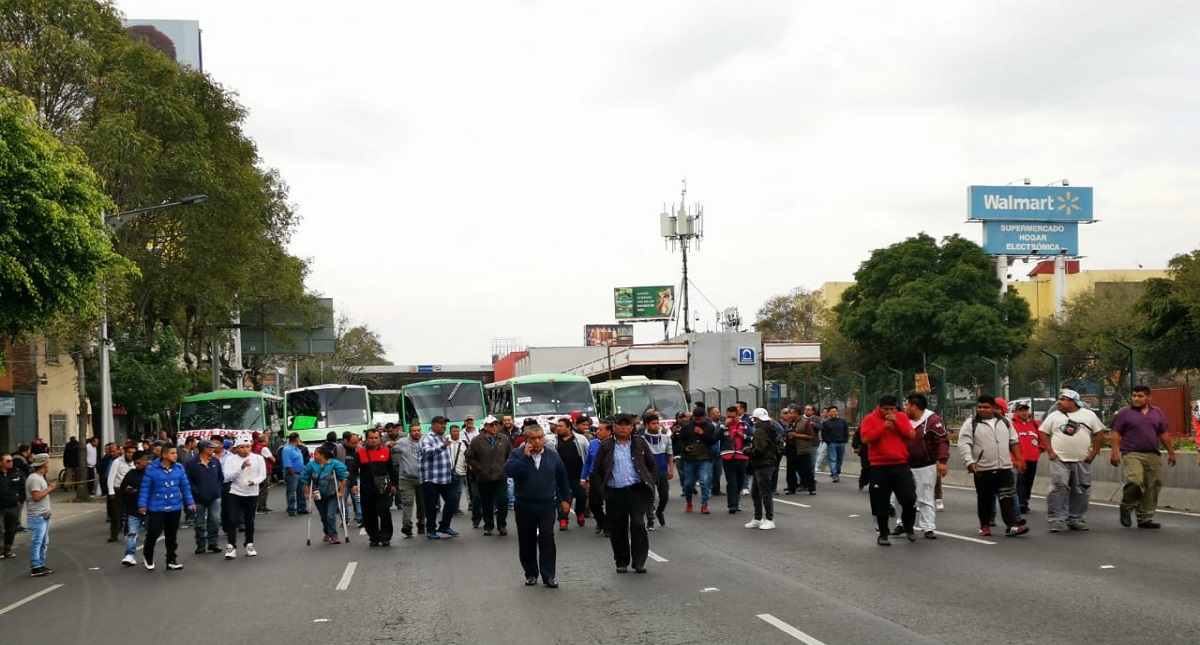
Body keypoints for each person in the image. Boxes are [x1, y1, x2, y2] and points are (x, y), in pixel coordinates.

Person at [506, 425, 571, 588]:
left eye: (540, 437)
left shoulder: (552, 456)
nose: (537, 441)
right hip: (524, 504)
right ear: (527, 439)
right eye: (533, 438)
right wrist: (525, 458)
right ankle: (530, 573)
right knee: (527, 539)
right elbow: (509, 471)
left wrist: (565, 500)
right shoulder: (517, 454)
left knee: (547, 537)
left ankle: (548, 576)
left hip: (547, 504)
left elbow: (562, 479)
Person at [592, 414, 658, 574]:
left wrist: (650, 482)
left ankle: (639, 561)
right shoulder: (606, 445)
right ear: (614, 427)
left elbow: (651, 465)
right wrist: (602, 489)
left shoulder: (640, 443)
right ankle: (621, 561)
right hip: (615, 492)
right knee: (618, 527)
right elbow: (598, 469)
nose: (623, 427)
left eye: (626, 425)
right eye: (619, 425)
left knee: (638, 523)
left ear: (631, 427)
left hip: (636, 490)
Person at [958, 395, 1029, 538]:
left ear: (993, 408)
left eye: (986, 407)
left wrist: (1019, 460)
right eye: (980, 407)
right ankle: (984, 526)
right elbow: (964, 444)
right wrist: (969, 462)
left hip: (1005, 467)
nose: (982, 410)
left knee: (1007, 496)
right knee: (984, 498)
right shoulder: (971, 423)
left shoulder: (1005, 421)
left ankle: (1012, 526)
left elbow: (1013, 441)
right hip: (983, 469)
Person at [1039, 389, 1106, 532]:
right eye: (1060, 398)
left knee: (1081, 489)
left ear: (1073, 402)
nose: (1059, 402)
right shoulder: (1054, 416)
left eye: (1063, 399)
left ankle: (1075, 519)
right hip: (1059, 460)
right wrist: (1050, 451)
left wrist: (1092, 454)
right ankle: (1056, 520)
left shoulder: (1089, 415)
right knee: (1059, 486)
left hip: (1082, 460)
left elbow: (1099, 434)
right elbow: (1043, 432)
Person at [1110, 385, 1176, 529]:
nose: (1136, 398)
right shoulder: (1124, 413)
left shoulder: (1157, 412)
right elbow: (1116, 434)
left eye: (1140, 396)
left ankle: (1145, 517)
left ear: (1148, 397)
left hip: (1152, 453)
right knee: (1135, 480)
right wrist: (1114, 453)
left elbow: (1163, 434)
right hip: (1132, 453)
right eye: (1134, 396)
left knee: (1154, 484)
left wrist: (1171, 453)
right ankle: (1127, 506)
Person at [860, 395, 918, 546]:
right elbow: (865, 439)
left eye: (891, 409)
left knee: (909, 498)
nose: (888, 412)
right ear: (879, 407)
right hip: (879, 466)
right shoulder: (870, 419)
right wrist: (883, 427)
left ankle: (909, 526)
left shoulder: (902, 417)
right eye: (885, 409)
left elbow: (912, 435)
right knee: (880, 502)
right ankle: (883, 534)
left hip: (901, 465)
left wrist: (897, 423)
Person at [137, 444, 196, 570]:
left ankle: (171, 559)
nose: (175, 455)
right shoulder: (151, 469)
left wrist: (190, 503)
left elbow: (185, 488)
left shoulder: (179, 468)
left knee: (171, 535)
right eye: (172, 453)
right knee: (154, 532)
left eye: (176, 453)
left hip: (174, 506)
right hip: (156, 507)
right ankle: (148, 555)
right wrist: (142, 505)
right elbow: (145, 488)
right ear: (164, 455)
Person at [902, 394, 949, 539]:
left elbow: (942, 441)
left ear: (914, 407)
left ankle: (928, 527)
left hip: (925, 465)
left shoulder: (932, 420)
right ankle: (900, 524)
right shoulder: (903, 420)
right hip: (904, 465)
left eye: (906, 405)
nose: (905, 408)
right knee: (899, 497)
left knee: (926, 496)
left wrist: (942, 461)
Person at [465, 415, 513, 537]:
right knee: (486, 503)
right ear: (485, 426)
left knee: (502, 500)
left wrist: (505, 466)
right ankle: (488, 526)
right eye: (492, 425)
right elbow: (469, 457)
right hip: (484, 477)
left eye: (496, 424)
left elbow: (510, 455)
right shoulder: (477, 441)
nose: (495, 427)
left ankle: (502, 525)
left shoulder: (504, 439)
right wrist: (479, 468)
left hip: (500, 476)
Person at [222, 437, 267, 559]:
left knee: (249, 520)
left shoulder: (258, 458)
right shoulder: (231, 459)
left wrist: (255, 481)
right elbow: (228, 476)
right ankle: (231, 546)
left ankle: (249, 544)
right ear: (237, 448)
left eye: (247, 447)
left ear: (251, 447)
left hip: (251, 493)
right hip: (235, 492)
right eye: (241, 447)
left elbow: (262, 475)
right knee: (232, 519)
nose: (245, 450)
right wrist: (240, 467)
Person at [546, 417, 590, 530]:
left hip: (578, 475)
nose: (558, 428)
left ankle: (580, 513)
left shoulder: (581, 439)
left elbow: (588, 456)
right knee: (561, 498)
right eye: (557, 426)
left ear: (569, 427)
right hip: (560, 476)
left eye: (561, 426)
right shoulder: (553, 442)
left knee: (581, 496)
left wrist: (587, 476)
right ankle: (563, 519)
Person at [419, 416, 459, 539]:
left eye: (445, 424)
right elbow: (427, 452)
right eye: (441, 424)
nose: (444, 426)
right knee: (431, 505)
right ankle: (431, 530)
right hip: (431, 478)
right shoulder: (427, 438)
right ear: (433, 425)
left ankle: (444, 526)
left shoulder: (444, 438)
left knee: (453, 500)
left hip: (445, 477)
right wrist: (442, 446)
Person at [358, 428, 398, 546]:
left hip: (383, 487)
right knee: (369, 513)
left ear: (380, 439)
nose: (374, 440)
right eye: (371, 438)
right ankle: (374, 537)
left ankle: (386, 536)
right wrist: (353, 484)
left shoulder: (386, 451)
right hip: (367, 488)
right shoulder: (360, 453)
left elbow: (392, 469)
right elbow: (354, 469)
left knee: (384, 510)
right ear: (366, 439)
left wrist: (394, 485)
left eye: (376, 438)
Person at [302, 445, 349, 544]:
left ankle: (334, 536)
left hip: (332, 494)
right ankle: (327, 532)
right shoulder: (311, 465)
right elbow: (305, 480)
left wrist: (341, 491)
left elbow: (343, 478)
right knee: (324, 516)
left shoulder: (334, 464)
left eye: (315, 454)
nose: (313, 456)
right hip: (317, 494)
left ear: (322, 455)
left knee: (330, 515)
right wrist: (307, 493)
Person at [184, 440, 223, 555]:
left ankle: (213, 543)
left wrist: (217, 487)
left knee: (215, 520)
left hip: (214, 496)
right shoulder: (191, 464)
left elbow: (220, 476)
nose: (213, 449)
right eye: (211, 447)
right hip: (198, 498)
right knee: (199, 523)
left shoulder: (215, 461)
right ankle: (200, 544)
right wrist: (195, 490)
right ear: (205, 448)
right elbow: (188, 481)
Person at [744, 408, 780, 530]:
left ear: (757, 419)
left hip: (763, 463)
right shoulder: (771, 427)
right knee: (756, 492)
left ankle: (769, 519)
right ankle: (758, 518)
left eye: (754, 419)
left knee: (764, 492)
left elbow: (760, 449)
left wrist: (748, 451)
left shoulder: (760, 431)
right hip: (767, 462)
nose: (754, 421)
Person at [675, 407, 716, 514]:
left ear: (704, 417)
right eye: (696, 419)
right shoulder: (686, 427)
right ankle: (689, 502)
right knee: (688, 483)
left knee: (704, 481)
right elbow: (680, 441)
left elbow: (712, 441)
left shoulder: (710, 427)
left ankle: (704, 504)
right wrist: (684, 448)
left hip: (705, 458)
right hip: (689, 459)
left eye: (700, 419)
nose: (697, 421)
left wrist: (702, 433)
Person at [392, 423, 425, 537]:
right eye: (414, 431)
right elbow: (391, 448)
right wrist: (389, 444)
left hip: (422, 478)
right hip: (406, 478)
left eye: (418, 430)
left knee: (422, 503)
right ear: (410, 432)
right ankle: (407, 525)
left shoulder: (425, 441)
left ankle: (421, 522)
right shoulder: (403, 442)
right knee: (408, 502)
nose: (417, 432)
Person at [118, 452, 150, 566]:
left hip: (149, 510)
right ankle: (130, 555)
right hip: (133, 510)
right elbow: (121, 491)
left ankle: (148, 555)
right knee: (132, 533)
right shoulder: (131, 474)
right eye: (135, 463)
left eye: (139, 463)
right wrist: (128, 491)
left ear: (145, 461)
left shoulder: (152, 474)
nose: (136, 465)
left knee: (149, 534)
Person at [25, 453, 55, 576]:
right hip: (37, 516)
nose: (49, 465)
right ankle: (36, 566)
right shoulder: (34, 479)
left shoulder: (39, 477)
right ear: (44, 464)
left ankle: (40, 564)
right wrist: (49, 488)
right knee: (37, 541)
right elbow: (36, 496)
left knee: (44, 542)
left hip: (44, 515)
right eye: (48, 462)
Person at [642, 413, 674, 527]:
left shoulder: (665, 438)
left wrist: (671, 469)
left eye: (657, 423)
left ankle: (660, 511)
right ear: (646, 425)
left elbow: (670, 454)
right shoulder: (641, 440)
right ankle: (650, 519)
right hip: (648, 472)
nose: (656, 426)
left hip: (662, 471)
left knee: (664, 495)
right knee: (649, 496)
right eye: (653, 423)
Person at [581, 419, 612, 536]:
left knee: (610, 503)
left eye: (601, 429)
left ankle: (608, 526)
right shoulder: (593, 444)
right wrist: (583, 478)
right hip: (595, 476)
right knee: (593, 503)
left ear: (609, 432)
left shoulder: (614, 444)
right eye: (597, 429)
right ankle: (601, 521)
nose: (597, 431)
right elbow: (587, 462)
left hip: (609, 476)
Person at [717, 407, 750, 513]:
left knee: (740, 481)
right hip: (728, 457)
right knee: (732, 482)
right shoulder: (722, 425)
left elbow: (753, 436)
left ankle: (736, 501)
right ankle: (732, 505)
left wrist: (743, 436)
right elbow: (714, 437)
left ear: (738, 415)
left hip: (742, 456)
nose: (730, 419)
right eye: (728, 416)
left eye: (733, 417)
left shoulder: (744, 425)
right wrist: (723, 426)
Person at [1012, 403, 1043, 515]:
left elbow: (1043, 437)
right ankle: (1021, 503)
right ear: (1016, 412)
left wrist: (1040, 448)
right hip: (1020, 459)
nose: (1024, 413)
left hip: (1033, 459)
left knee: (1029, 481)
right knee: (1020, 482)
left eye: (1026, 410)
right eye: (1021, 410)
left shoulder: (1035, 424)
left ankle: (1025, 500)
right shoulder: (1013, 424)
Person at [783, 404, 815, 495]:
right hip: (791, 449)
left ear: (797, 414)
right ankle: (791, 488)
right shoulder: (789, 423)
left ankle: (811, 488)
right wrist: (785, 438)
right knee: (791, 470)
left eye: (791, 413)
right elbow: (788, 434)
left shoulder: (805, 423)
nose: (789, 415)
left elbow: (810, 436)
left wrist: (797, 435)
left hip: (802, 449)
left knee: (805, 470)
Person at [0, 451, 25, 559]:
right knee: (0, 529)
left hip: (12, 506)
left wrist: (21, 499)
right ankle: (0, 550)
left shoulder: (16, 473)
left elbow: (22, 488)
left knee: (11, 529)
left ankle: (8, 549)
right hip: (0, 507)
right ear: (1, 463)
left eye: (12, 461)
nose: (11, 463)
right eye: (8, 461)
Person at [281, 433, 309, 517]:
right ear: (297, 439)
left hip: (299, 473)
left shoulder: (296, 449)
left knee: (301, 492)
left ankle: (301, 508)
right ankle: (291, 509)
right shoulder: (287, 449)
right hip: (292, 474)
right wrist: (293, 474)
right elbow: (288, 464)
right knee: (292, 492)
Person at [822, 406, 850, 482]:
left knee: (839, 460)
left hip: (841, 443)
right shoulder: (826, 423)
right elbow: (824, 434)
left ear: (837, 412)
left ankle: (837, 471)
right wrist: (829, 442)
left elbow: (846, 431)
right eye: (831, 411)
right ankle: (834, 474)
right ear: (829, 413)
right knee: (832, 459)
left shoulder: (843, 421)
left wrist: (845, 440)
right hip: (832, 444)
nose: (833, 413)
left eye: (835, 411)